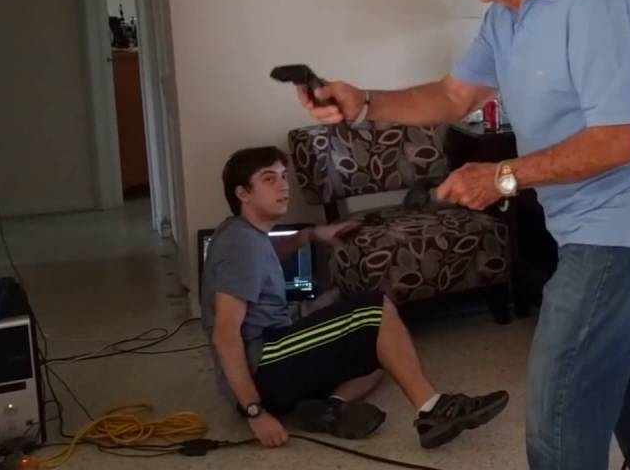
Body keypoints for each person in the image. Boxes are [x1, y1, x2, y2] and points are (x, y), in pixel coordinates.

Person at [292, 0, 630, 470]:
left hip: (621, 226)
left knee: (559, 405)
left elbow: (617, 142)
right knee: (629, 372)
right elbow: (452, 96)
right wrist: (365, 103)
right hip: (580, 221)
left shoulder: (596, 3)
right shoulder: (506, 16)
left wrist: (503, 176)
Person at [201, 146, 509, 450]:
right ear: (243, 193)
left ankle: (328, 407)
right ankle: (434, 410)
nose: (283, 186)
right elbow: (225, 335)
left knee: (383, 349)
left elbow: (267, 253)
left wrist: (310, 235)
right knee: (376, 310)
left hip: (272, 360)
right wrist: (255, 411)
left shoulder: (241, 233)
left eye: (284, 176)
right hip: (263, 367)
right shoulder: (241, 246)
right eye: (269, 179)